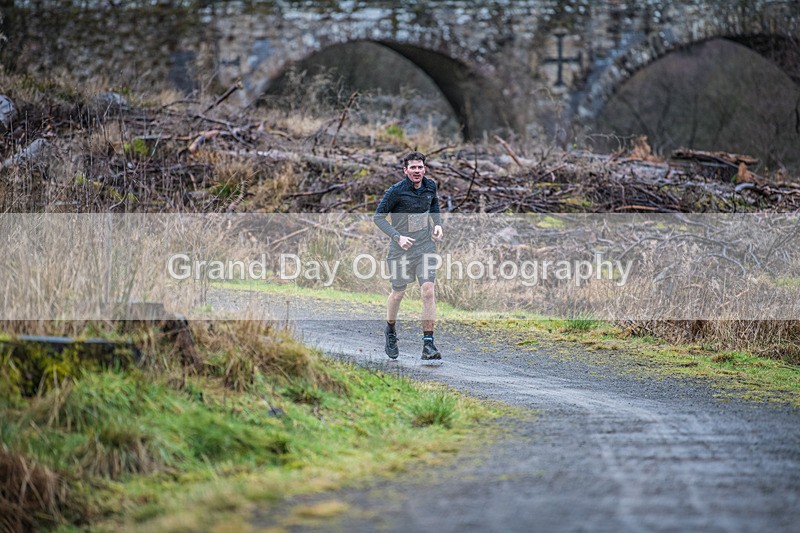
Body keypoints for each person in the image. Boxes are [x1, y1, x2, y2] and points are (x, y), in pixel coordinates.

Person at [373, 151, 443, 360]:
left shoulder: (430, 186)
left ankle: (428, 344)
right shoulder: (395, 192)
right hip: (401, 250)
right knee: (398, 293)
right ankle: (390, 330)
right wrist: (397, 237)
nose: (417, 171)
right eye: (413, 167)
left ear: (424, 169)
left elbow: (434, 206)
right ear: (405, 170)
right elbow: (378, 217)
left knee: (428, 290)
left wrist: (438, 224)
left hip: (425, 247)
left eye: (420, 167)